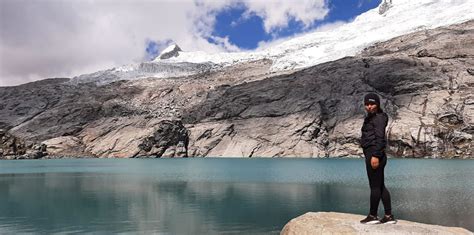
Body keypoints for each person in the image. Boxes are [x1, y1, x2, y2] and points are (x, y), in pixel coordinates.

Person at [359, 93, 397, 224]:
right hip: (373, 154)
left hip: (375, 155)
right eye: (367, 104)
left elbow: (381, 139)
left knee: (374, 187)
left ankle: (373, 215)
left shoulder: (378, 118)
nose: (369, 106)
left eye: (372, 104)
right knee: (380, 186)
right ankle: (388, 215)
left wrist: (375, 155)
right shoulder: (371, 118)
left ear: (378, 104)